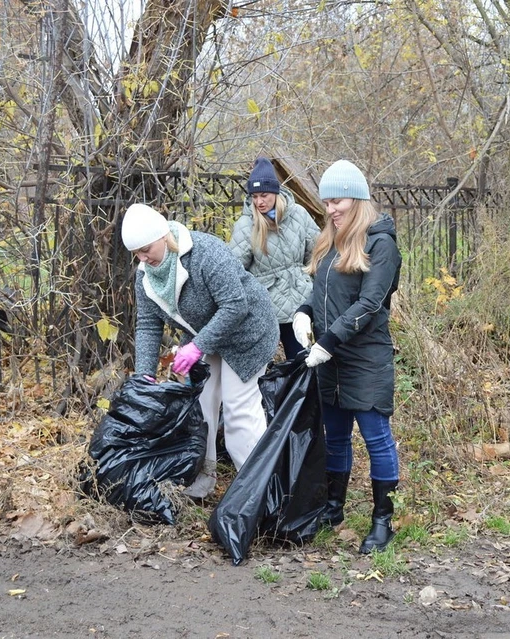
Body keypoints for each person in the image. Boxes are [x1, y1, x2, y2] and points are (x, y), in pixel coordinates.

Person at [120, 203, 279, 499]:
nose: (142, 258)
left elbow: (236, 305)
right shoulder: (146, 277)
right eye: (136, 253)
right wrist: (144, 375)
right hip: (205, 337)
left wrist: (197, 346)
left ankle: (258, 493)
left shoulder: (205, 252)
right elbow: (147, 325)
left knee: (239, 414)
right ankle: (204, 475)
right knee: (201, 408)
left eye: (146, 249)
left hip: (247, 333)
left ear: (163, 235)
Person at [293, 160, 402, 554]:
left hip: (365, 358)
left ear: (356, 199)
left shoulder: (380, 243)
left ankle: (382, 520)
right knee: (335, 437)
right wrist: (304, 311)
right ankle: (333, 508)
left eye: (337, 201)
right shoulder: (331, 238)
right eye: (326, 203)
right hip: (330, 358)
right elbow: (322, 290)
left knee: (376, 439)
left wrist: (330, 340)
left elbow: (371, 302)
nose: (331, 210)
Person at [228, 157, 321, 359]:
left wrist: (308, 283)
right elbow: (234, 269)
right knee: (261, 368)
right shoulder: (246, 224)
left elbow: (317, 254)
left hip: (300, 303)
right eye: (254, 196)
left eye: (264, 195)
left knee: (301, 365)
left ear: (275, 192)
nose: (259, 202)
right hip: (266, 307)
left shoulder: (298, 214)